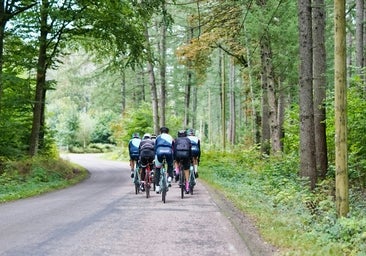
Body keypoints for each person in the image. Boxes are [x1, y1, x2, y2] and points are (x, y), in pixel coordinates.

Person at [154, 126, 174, 193]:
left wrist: (155, 156)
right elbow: (173, 147)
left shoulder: (158, 137)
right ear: (168, 132)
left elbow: (155, 148)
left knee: (157, 168)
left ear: (160, 131)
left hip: (159, 152)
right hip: (168, 152)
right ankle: (169, 177)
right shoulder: (170, 137)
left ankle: (157, 187)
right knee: (170, 164)